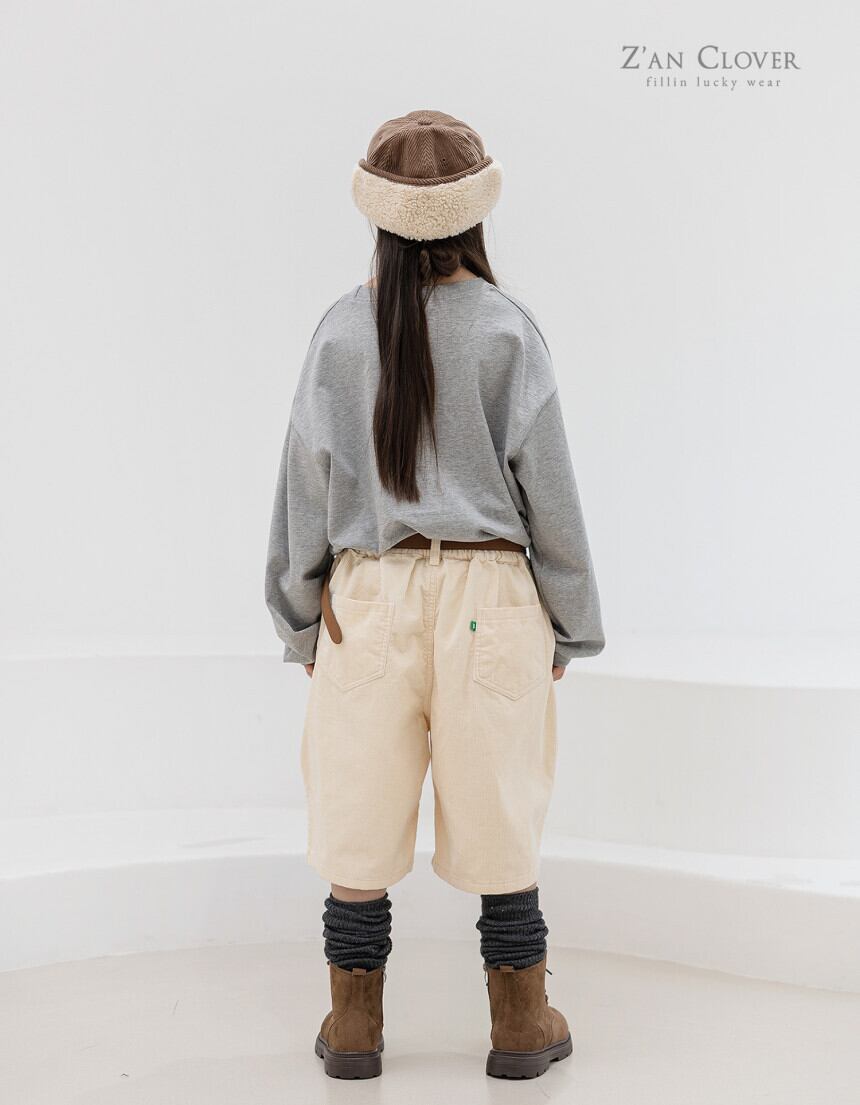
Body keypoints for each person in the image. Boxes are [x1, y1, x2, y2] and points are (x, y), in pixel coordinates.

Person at [265, 109, 604, 1081]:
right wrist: (569, 625)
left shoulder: (340, 332)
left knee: (357, 811)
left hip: (369, 596)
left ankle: (353, 1024)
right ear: (472, 211)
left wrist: (301, 618)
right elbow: (551, 497)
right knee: (501, 806)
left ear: (377, 213)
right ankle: (519, 1020)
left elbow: (304, 488)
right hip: (489, 595)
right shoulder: (505, 330)